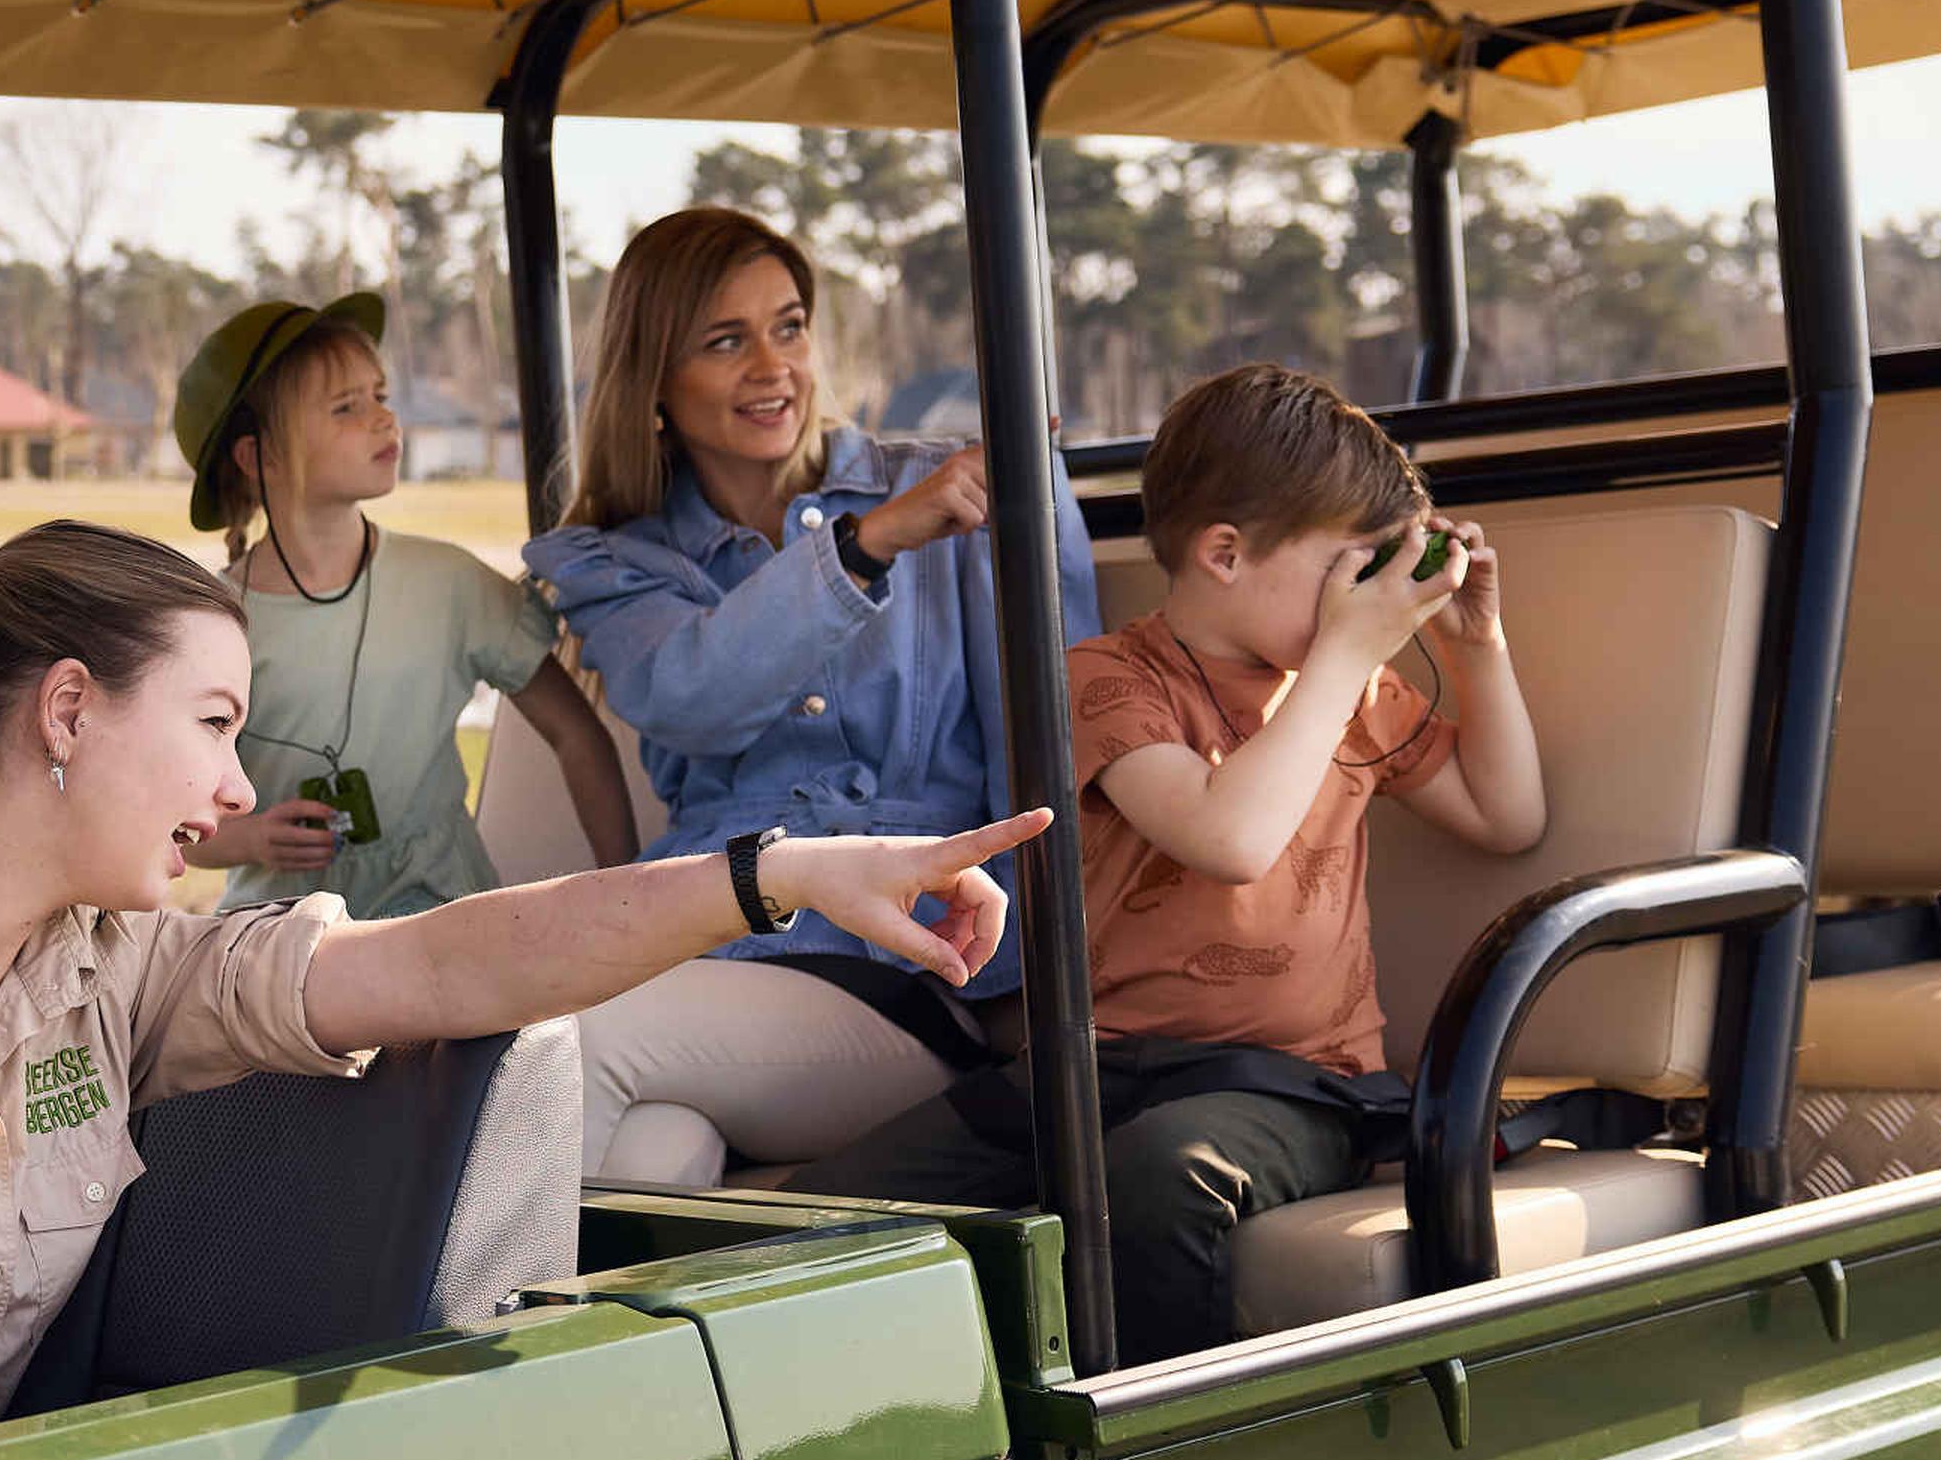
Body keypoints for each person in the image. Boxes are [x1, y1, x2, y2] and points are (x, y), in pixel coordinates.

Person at [0, 519, 1043, 1427]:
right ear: (69, 711)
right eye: (212, 723)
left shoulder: (119, 976)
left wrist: (767, 878)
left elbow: (450, 964)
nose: (230, 788)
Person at [791, 363, 1546, 1361]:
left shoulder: (1349, 691)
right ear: (1225, 554)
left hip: (1293, 1087)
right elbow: (1225, 834)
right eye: (1343, 571)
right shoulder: (1105, 681)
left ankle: (1155, 1458)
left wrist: (1478, 643)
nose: (1361, 605)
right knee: (828, 1216)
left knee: (1160, 1175)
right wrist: (1346, 656)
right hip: (1097, 1069)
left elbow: (1508, 815)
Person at [524, 207, 1101, 1188]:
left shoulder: (955, 492)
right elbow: (692, 692)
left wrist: (1035, 1002)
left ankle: (397, 1336)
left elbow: (1055, 752)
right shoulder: (616, 560)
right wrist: (865, 545)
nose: (772, 366)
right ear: (655, 379)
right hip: (697, 944)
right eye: (724, 341)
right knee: (654, 1157)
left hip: (899, 974)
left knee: (559, 1040)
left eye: (788, 326)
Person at [167, 291, 637, 919]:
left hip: (446, 918)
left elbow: (577, 733)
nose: (385, 420)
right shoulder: (210, 624)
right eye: (346, 407)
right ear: (259, 456)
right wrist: (248, 838)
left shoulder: (451, 584)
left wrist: (629, 892)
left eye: (381, 397)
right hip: (279, 944)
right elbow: (173, 814)